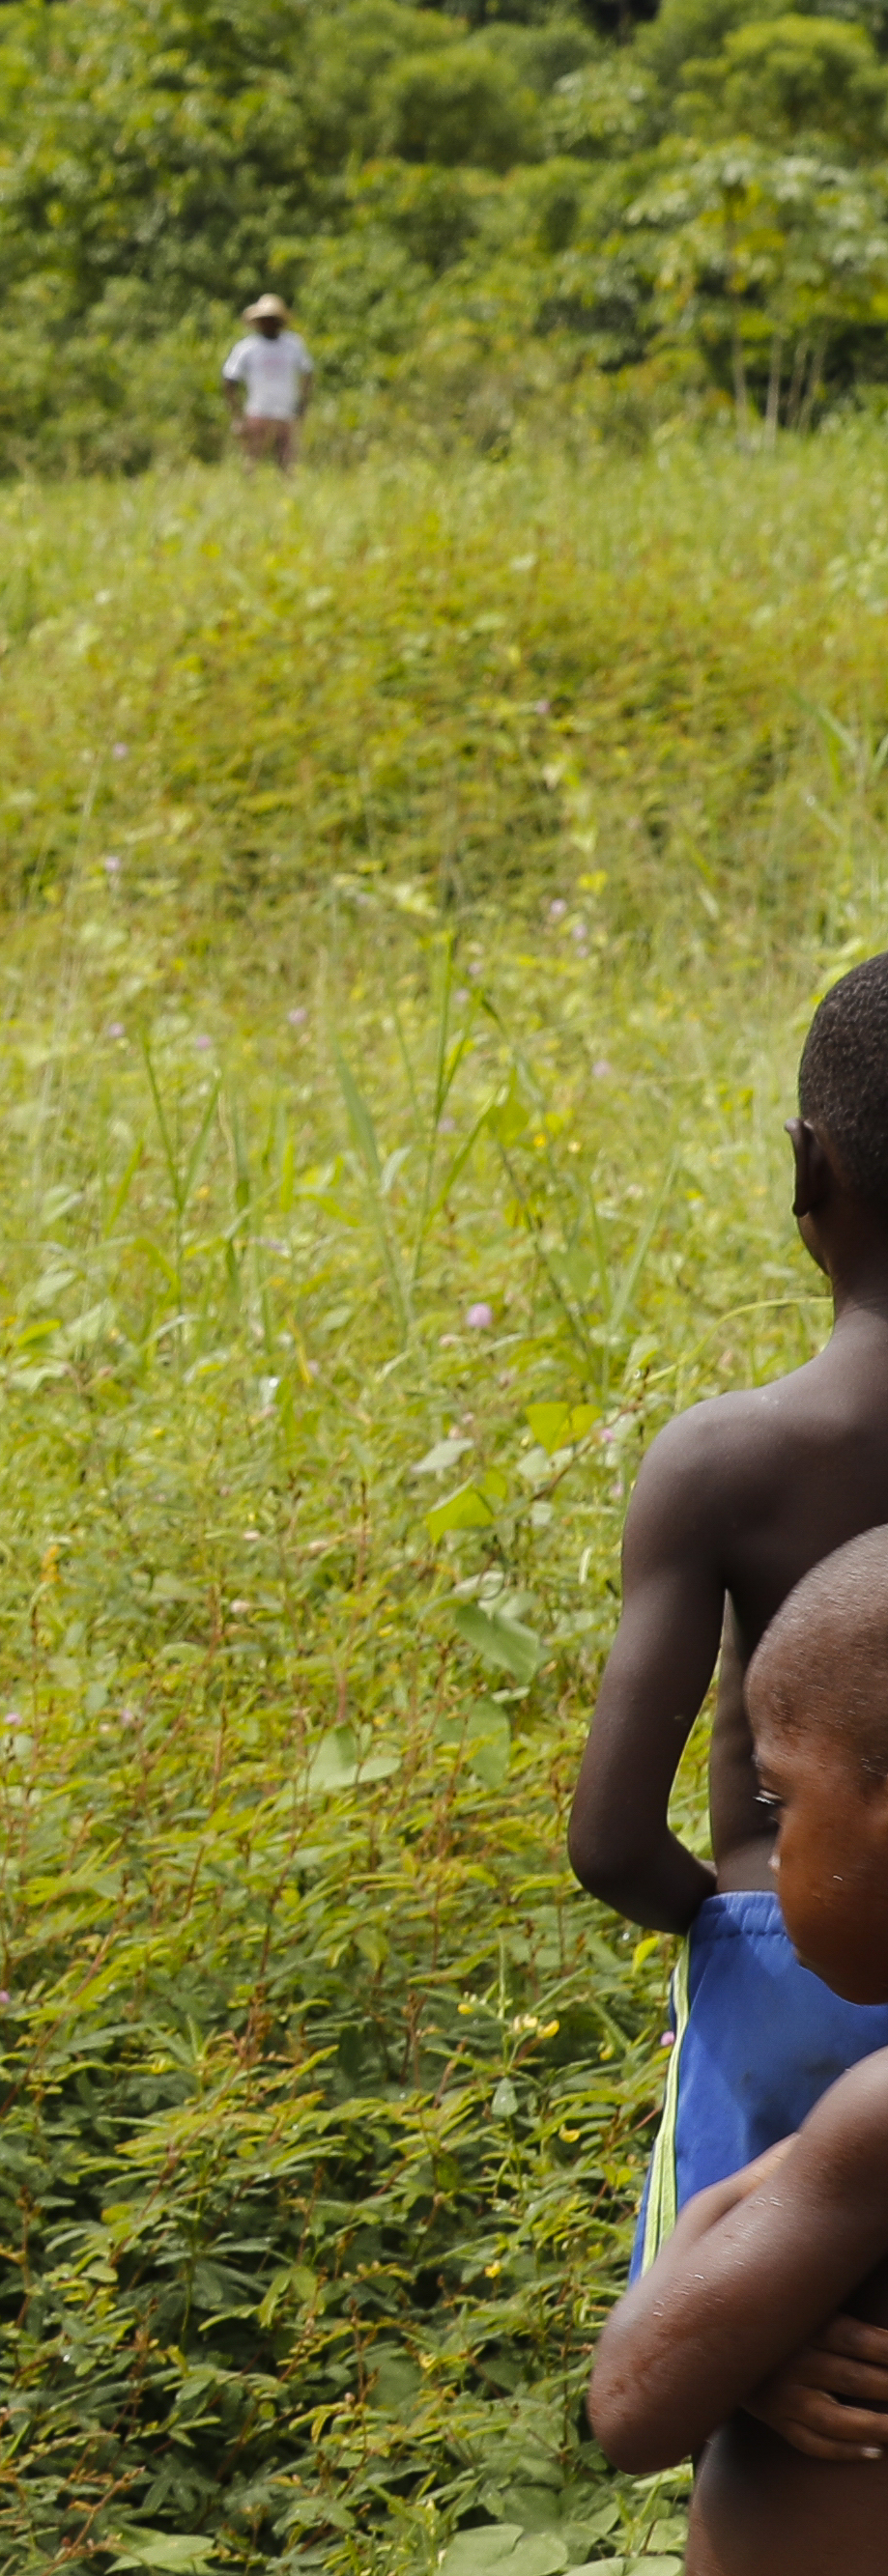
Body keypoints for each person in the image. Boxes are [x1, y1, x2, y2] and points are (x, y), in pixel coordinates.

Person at [575, 958, 888, 2270]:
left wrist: (742, 1918)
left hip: (781, 1977)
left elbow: (608, 1839)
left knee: (749, 2378)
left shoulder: (727, 1460)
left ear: (807, 1167)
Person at [595, 1524, 888, 2563]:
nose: (774, 1841)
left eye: (781, 1801)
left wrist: (721, 2212)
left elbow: (633, 2407)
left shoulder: (874, 2121)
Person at [222, 292, 311, 468]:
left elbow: (308, 373)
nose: (269, 323)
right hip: (258, 410)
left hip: (285, 410)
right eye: (265, 319)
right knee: (252, 456)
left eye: (272, 319)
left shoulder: (293, 344)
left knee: (287, 459)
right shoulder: (247, 348)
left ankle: (289, 493)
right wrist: (236, 415)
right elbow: (229, 379)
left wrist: (303, 403)